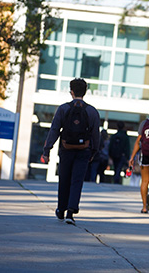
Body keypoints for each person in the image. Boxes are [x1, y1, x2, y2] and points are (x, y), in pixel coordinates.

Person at [41, 78, 101, 224]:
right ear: (85, 92)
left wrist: (47, 149)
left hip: (66, 150)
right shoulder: (92, 111)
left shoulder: (63, 109)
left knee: (64, 179)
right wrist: (93, 151)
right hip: (84, 151)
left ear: (71, 92)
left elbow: (54, 130)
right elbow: (95, 135)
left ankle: (60, 209)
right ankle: (70, 212)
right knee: (77, 180)